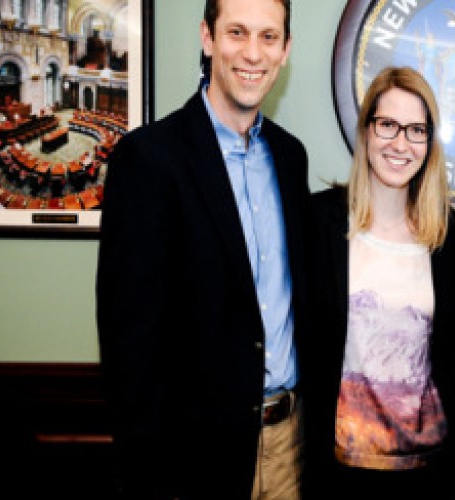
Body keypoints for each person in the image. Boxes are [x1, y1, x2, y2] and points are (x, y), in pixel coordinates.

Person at [95, 0, 308, 497]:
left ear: (285, 50)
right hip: (192, 462)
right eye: (237, 32)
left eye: (268, 37)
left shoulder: (290, 157)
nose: (252, 53)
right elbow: (128, 342)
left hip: (290, 450)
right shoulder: (148, 159)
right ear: (207, 38)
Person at [302, 66, 455, 499]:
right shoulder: (319, 222)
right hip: (339, 473)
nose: (400, 143)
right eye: (388, 124)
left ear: (429, 143)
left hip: (430, 473)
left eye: (416, 130)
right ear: (366, 131)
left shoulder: (450, 235)